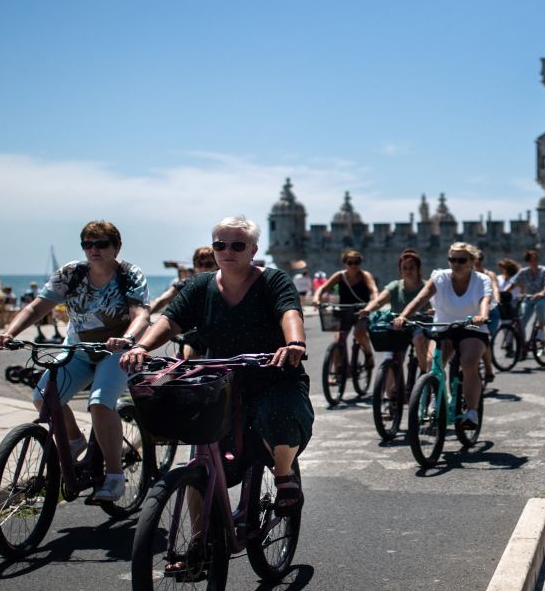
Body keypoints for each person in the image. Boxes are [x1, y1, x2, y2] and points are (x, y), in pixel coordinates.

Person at [120, 215, 311, 514]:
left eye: (237, 245)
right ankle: (196, 546)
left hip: (272, 374)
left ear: (253, 250)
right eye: (220, 245)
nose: (227, 251)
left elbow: (290, 313)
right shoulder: (201, 285)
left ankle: (284, 474)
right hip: (220, 380)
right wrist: (142, 346)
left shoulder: (274, 281)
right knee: (202, 461)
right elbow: (171, 319)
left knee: (281, 415)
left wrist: (294, 343)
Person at [0, 220, 151, 503]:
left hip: (116, 350)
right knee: (43, 396)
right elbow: (37, 306)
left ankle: (114, 477)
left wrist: (127, 338)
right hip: (78, 348)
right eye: (87, 244)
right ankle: (75, 439)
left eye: (102, 244)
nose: (94, 250)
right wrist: (9, 333)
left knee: (100, 403)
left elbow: (140, 314)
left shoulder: (128, 274)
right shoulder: (70, 274)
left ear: (117, 247)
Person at [393, 242, 492, 428]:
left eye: (461, 260)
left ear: (472, 262)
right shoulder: (440, 278)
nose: (456, 264)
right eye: (452, 259)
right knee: (432, 364)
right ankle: (436, 399)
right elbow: (420, 298)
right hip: (444, 327)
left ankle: (471, 412)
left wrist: (483, 316)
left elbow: (484, 300)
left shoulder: (481, 280)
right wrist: (403, 316)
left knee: (468, 362)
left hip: (472, 328)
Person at [358, 249, 431, 373]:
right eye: (405, 268)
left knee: (418, 339)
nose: (408, 271)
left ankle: (424, 375)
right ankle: (391, 384)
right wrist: (367, 310)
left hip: (420, 325)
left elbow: (437, 303)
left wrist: (433, 310)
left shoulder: (427, 286)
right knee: (390, 360)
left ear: (418, 269)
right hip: (398, 326)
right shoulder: (395, 286)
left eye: (411, 268)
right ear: (400, 270)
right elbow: (379, 301)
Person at [311, 249, 378, 369]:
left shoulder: (365, 276)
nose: (353, 265)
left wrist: (373, 303)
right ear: (345, 263)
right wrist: (316, 298)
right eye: (350, 262)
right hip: (344, 311)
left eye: (356, 262)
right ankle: (338, 371)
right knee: (339, 340)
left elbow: (374, 291)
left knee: (359, 332)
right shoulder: (339, 276)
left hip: (362, 311)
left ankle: (368, 354)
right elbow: (323, 288)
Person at [149, 246, 217, 314]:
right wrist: (144, 316)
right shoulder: (186, 283)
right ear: (194, 266)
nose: (203, 268)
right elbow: (162, 300)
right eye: (199, 264)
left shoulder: (223, 284)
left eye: (208, 264)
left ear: (217, 265)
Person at [472, 247, 500, 382]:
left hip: (491, 311)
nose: (475, 262)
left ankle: (488, 368)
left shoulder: (489, 274)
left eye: (477, 259)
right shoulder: (469, 275)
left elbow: (494, 287)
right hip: (473, 312)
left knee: (485, 339)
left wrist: (497, 298)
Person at [514, 250, 545, 339]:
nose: (534, 262)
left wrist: (542, 293)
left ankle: (541, 332)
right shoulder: (523, 272)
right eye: (531, 260)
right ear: (527, 262)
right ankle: (522, 347)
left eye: (536, 260)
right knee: (520, 323)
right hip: (530, 299)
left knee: (539, 306)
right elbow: (514, 283)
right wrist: (521, 291)